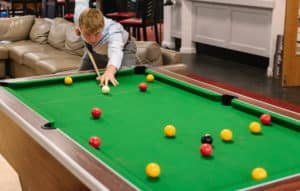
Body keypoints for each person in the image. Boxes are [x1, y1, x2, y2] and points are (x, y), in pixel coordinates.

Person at [75, 7, 136, 86]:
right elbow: (78, 28)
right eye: (87, 34)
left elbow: (115, 52)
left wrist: (110, 71)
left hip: (125, 49)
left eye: (97, 34)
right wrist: (79, 32)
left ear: (103, 27)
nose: (93, 40)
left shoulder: (113, 31)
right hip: (95, 51)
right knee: (79, 78)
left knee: (125, 80)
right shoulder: (81, 25)